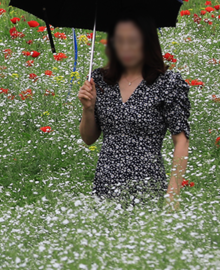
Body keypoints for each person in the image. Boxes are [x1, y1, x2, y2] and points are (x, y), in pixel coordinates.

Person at [76, 16, 190, 206]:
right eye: (120, 41)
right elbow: (89, 139)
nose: (126, 48)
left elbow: (181, 140)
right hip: (105, 188)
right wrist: (88, 109)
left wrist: (173, 196)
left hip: (147, 188)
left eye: (133, 41)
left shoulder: (167, 83)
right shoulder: (100, 80)